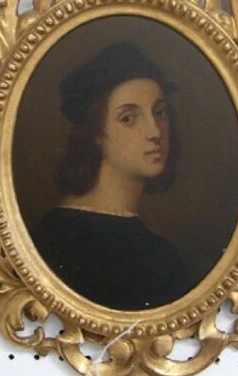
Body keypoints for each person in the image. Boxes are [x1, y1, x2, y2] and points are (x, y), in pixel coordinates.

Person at [30, 42, 192, 310]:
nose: (155, 132)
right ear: (95, 132)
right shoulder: (55, 240)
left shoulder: (162, 256)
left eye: (160, 113)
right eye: (129, 118)